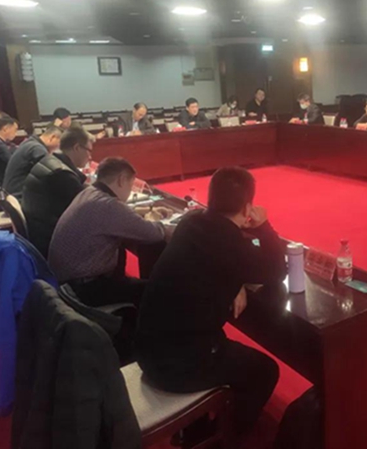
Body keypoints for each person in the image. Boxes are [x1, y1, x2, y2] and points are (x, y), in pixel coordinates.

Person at [136, 167, 285, 437]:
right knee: (265, 371)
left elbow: (213, 261)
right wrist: (263, 226)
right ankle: (225, 438)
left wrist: (237, 282)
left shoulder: (190, 222)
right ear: (247, 207)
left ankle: (200, 427)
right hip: (176, 365)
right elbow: (276, 269)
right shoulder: (231, 244)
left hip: (147, 347)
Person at [48, 157, 169, 308]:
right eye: (131, 185)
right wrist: (152, 218)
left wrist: (145, 210)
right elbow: (153, 233)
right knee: (157, 290)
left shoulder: (89, 192)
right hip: (84, 289)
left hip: (66, 282)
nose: (130, 191)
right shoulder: (108, 205)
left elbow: (116, 214)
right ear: (121, 180)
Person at [22, 126, 92, 258]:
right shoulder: (62, 174)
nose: (90, 156)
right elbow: (87, 212)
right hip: (53, 245)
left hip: (40, 236)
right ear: (77, 148)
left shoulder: (50, 161)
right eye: (89, 150)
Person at [2, 124, 62, 199]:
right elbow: (53, 174)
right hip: (19, 195)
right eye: (60, 143)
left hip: (11, 193)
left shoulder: (30, 142)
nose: (59, 147)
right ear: (52, 137)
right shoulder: (37, 149)